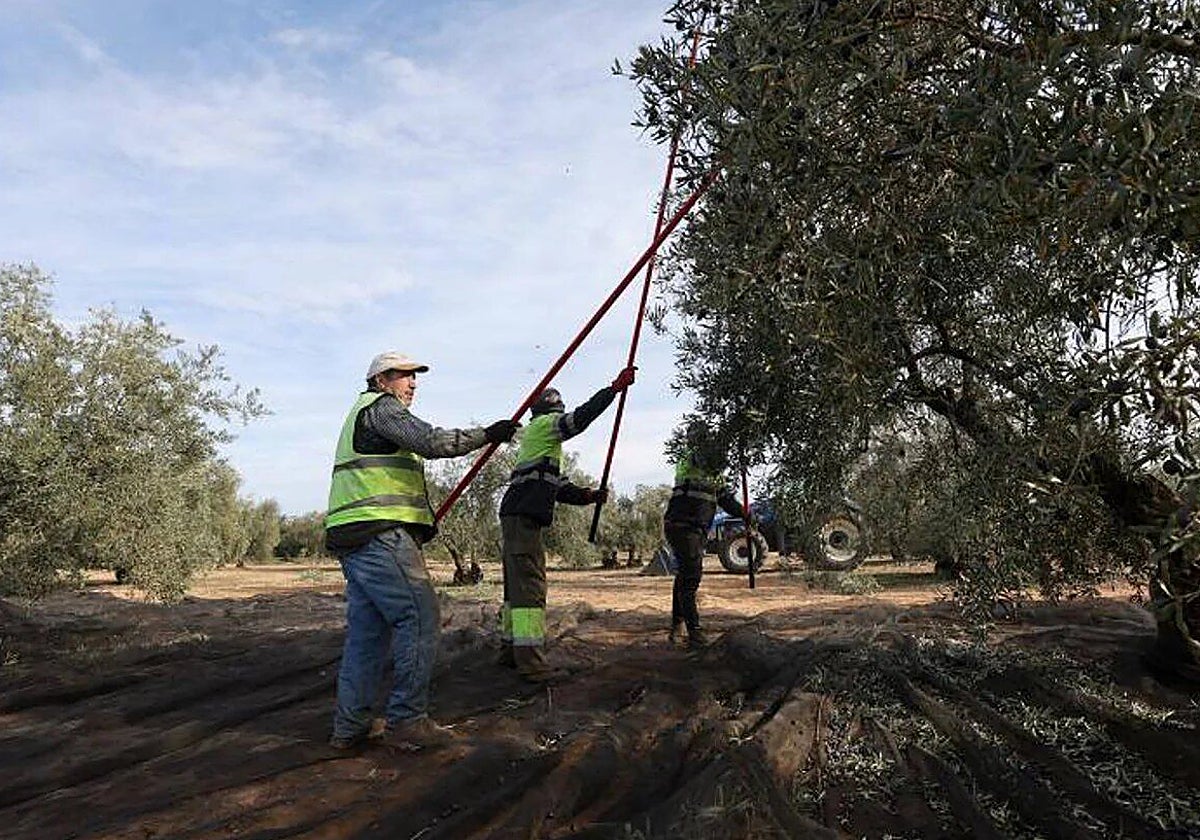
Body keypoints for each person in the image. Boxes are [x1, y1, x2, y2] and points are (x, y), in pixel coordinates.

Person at [324, 351, 520, 751]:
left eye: (415, 377)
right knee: (419, 616)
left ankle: (351, 727)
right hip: (379, 534)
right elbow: (431, 441)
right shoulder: (382, 410)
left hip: (354, 537)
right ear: (381, 381)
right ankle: (407, 721)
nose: (412, 384)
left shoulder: (364, 415)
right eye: (403, 376)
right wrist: (488, 433)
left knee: (368, 634)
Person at [497, 367, 636, 682]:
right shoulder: (546, 427)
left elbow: (558, 488)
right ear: (552, 411)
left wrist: (588, 496)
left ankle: (509, 652)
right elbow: (581, 419)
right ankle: (531, 664)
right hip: (522, 521)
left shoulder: (538, 443)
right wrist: (613, 389)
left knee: (515, 589)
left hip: (515, 517)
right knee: (530, 591)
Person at [663, 423, 747, 649]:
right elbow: (712, 458)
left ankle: (677, 626)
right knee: (691, 577)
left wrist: (744, 514)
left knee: (684, 576)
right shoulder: (694, 458)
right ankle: (695, 633)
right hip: (684, 526)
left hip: (691, 527)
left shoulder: (711, 471)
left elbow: (724, 499)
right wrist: (736, 436)